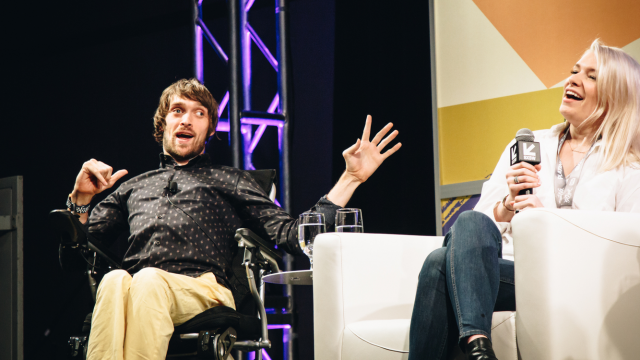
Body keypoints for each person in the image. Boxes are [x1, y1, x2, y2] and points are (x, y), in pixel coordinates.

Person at [66, 78, 402, 360]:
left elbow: (289, 234)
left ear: (209, 127)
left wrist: (350, 179)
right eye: (178, 111)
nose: (186, 120)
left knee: (147, 280)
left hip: (204, 288)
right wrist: (81, 200)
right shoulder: (133, 186)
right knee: (114, 281)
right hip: (139, 290)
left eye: (199, 114)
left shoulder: (231, 179)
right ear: (162, 123)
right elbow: (76, 254)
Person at [408, 40, 640, 360]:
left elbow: (627, 250)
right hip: (510, 274)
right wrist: (507, 206)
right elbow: (472, 232)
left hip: (571, 279)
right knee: (469, 225)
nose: (571, 80)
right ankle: (479, 346)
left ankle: (476, 346)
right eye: (573, 72)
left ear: (617, 94)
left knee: (438, 264)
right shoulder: (530, 145)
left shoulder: (628, 166)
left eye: (591, 76)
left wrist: (550, 223)